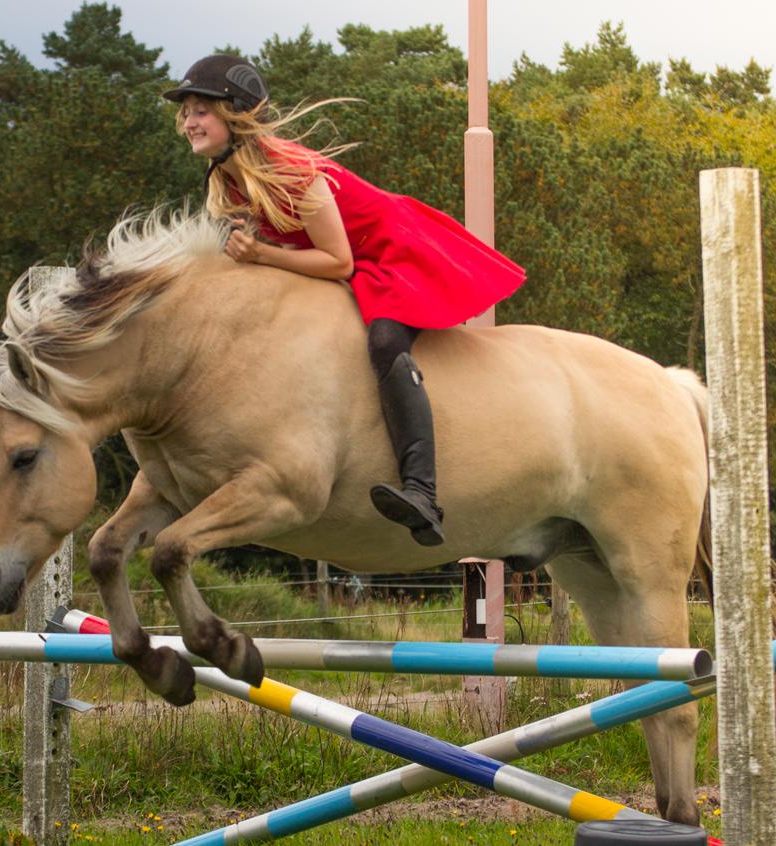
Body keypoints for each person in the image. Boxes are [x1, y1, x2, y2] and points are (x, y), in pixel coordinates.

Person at [163, 54, 526, 547]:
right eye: (185, 112)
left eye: (200, 110)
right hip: (349, 264)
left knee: (383, 340)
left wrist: (262, 254)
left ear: (235, 112)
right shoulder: (225, 178)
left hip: (394, 253)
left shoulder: (291, 170)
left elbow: (339, 262)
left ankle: (422, 490)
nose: (188, 122)